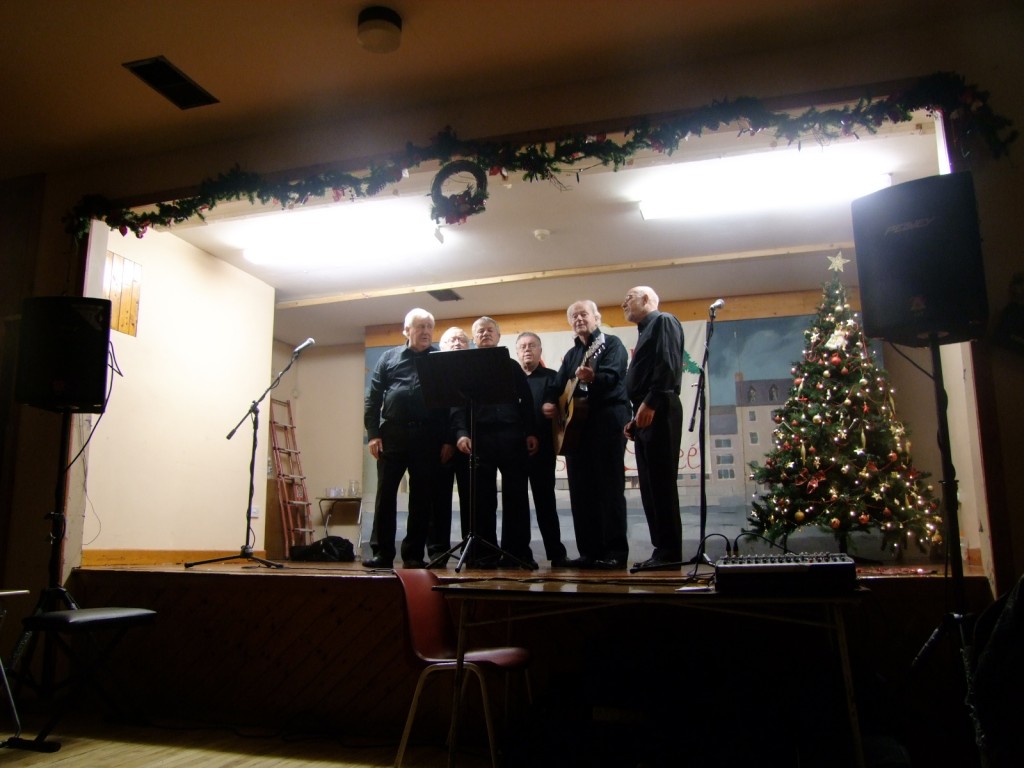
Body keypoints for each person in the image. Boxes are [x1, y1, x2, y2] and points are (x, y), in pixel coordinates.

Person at [542, 300, 631, 569]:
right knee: (581, 492)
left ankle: (615, 552)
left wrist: (594, 376)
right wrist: (548, 401)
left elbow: (614, 376)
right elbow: (557, 385)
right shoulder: (571, 355)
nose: (579, 318)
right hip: (576, 432)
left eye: (584, 314)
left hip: (606, 422)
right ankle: (589, 552)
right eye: (574, 316)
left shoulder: (611, 344)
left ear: (597, 318)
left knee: (609, 489)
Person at [362, 308, 446, 569]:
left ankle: (413, 555)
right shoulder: (389, 358)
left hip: (428, 436)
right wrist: (373, 434)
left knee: (422, 498)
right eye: (420, 327)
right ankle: (382, 553)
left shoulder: (440, 360)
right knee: (385, 496)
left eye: (429, 327)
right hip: (393, 435)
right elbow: (373, 398)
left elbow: (450, 404)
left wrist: (447, 440)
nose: (425, 332)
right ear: (406, 330)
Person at [454, 317, 539, 568]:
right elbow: (457, 406)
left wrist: (531, 432)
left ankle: (517, 552)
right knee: (482, 499)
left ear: (499, 336)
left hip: (513, 437)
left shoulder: (512, 366)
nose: (486, 334)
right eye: (480, 331)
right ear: (475, 338)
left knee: (516, 497)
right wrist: (461, 432)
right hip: (480, 438)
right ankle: (483, 554)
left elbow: (527, 401)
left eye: (490, 330)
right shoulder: (465, 369)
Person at [622, 286, 685, 570]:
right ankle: (661, 551)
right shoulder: (646, 330)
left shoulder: (663, 321)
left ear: (647, 299)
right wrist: (637, 417)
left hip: (660, 407)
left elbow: (668, 365)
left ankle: (670, 553)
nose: (624, 302)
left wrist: (650, 403)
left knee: (660, 484)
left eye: (630, 297)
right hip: (647, 411)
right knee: (649, 486)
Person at [515, 331, 569, 567]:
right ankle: (521, 554)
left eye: (532, 346)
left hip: (544, 450)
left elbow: (567, 408)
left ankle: (556, 554)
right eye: (523, 346)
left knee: (546, 503)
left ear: (540, 351)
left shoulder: (553, 378)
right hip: (514, 450)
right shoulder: (509, 378)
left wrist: (556, 409)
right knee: (517, 505)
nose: (527, 349)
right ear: (517, 352)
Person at [427, 326, 473, 565]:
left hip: (468, 446)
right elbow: (438, 410)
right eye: (451, 339)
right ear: (442, 346)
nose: (457, 343)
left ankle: (472, 551)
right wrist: (448, 439)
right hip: (441, 446)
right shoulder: (434, 370)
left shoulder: (475, 370)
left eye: (462, 339)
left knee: (471, 502)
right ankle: (437, 553)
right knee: (438, 501)